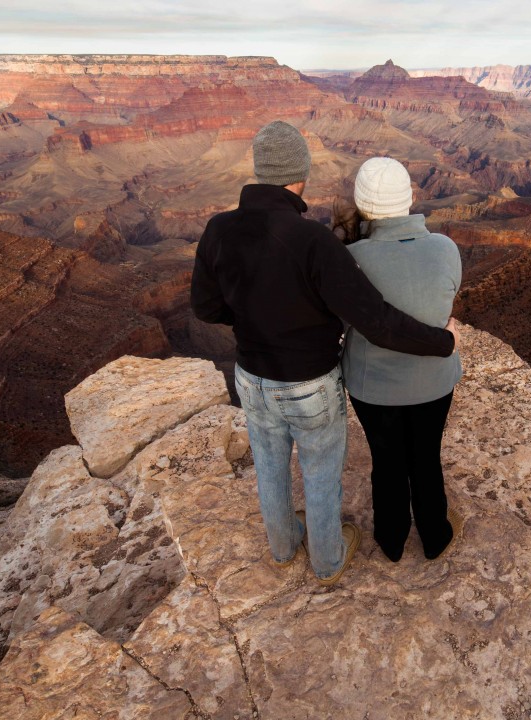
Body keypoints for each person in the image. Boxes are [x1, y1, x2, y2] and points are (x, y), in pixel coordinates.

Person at [190, 121, 460, 586]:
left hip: (251, 376)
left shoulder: (218, 229)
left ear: (257, 169)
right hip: (308, 381)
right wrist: (443, 343)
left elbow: (205, 305)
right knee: (318, 470)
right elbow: (375, 319)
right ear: (300, 175)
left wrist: (255, 320)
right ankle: (328, 561)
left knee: (270, 466)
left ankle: (281, 548)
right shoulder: (311, 241)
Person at [340, 157, 463, 562]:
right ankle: (435, 535)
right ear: (408, 198)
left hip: (372, 389)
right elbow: (441, 304)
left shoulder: (351, 259)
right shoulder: (445, 248)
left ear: (362, 203)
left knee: (387, 461)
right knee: (426, 456)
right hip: (434, 381)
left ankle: (390, 540)